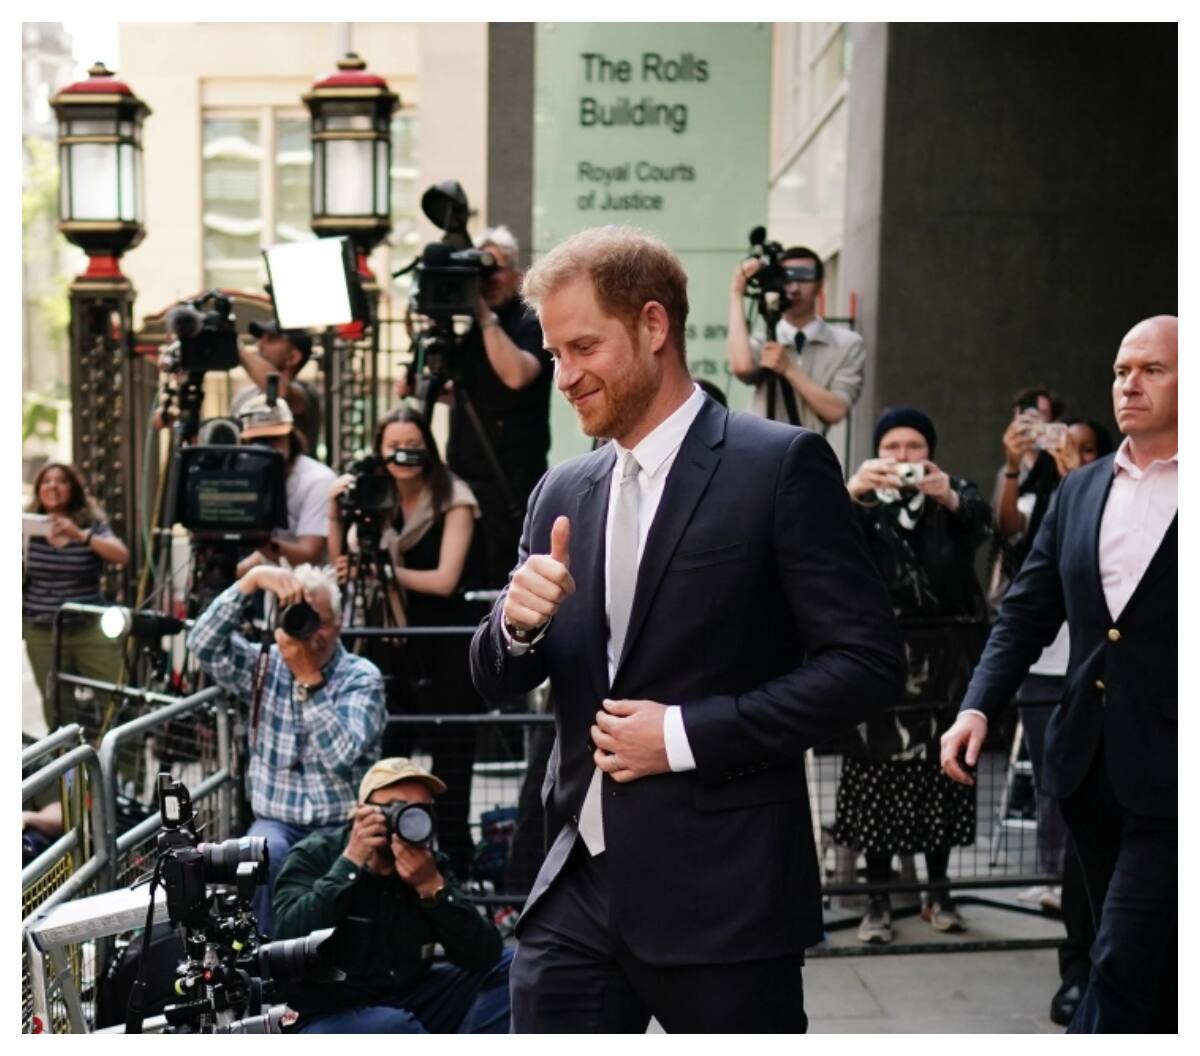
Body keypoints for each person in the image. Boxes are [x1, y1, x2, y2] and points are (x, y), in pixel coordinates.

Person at [470, 226, 904, 1032]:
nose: (564, 376)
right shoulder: (561, 491)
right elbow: (495, 674)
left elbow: (868, 664)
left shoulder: (779, 465)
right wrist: (514, 626)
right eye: (556, 354)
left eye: (583, 347)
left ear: (655, 326)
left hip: (727, 898)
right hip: (576, 890)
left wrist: (684, 736)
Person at [942, 316, 1177, 1033]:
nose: (1127, 384)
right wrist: (978, 706)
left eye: (1151, 370)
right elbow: (1025, 612)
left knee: (1118, 963)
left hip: (1175, 780)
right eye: (1118, 370)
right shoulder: (1080, 492)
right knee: (1149, 970)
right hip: (1089, 768)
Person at [834, 407, 991, 943]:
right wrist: (851, 490)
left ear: (931, 453)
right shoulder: (859, 503)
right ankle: (876, 900)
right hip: (881, 666)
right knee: (878, 780)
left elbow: (984, 523)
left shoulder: (954, 497)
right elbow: (816, 538)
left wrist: (947, 496)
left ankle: (939, 890)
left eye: (915, 448)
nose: (904, 459)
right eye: (894, 448)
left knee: (941, 777)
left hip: (945, 668)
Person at [187, 562, 385, 937]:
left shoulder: (362, 677)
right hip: (278, 821)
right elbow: (202, 643)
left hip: (340, 822)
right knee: (261, 853)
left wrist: (309, 678)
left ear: (339, 623)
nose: (312, 633)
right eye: (300, 617)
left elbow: (341, 755)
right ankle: (267, 965)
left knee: (344, 869)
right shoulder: (266, 667)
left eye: (321, 621)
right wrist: (251, 581)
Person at [329, 407, 484, 878]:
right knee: (387, 747)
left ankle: (454, 855)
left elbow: (444, 580)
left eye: (414, 446)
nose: (404, 456)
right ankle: (383, 853)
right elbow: (343, 563)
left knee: (450, 752)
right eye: (393, 446)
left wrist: (386, 572)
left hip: (442, 642)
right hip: (386, 639)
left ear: (428, 449)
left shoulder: (453, 497)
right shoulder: (372, 498)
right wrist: (336, 515)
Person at [272, 757, 512, 1034]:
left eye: (419, 810)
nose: (406, 819)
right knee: (394, 1025)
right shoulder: (316, 856)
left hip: (408, 999)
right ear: (361, 813)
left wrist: (432, 888)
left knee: (513, 966)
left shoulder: (429, 865)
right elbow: (288, 943)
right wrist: (350, 864)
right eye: (395, 808)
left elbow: (484, 955)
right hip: (328, 1014)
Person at [401, 225, 552, 588]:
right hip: (466, 475)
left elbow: (516, 376)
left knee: (504, 577)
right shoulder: (469, 332)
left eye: (495, 268)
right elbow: (470, 392)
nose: (487, 279)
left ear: (517, 275)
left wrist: (485, 316)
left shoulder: (529, 320)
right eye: (479, 271)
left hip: (511, 481)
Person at [23, 462, 130, 732]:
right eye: (46, 482)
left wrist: (80, 535)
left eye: (60, 481)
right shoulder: (27, 527)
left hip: (88, 627)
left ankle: (120, 764)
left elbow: (121, 555)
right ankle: (68, 771)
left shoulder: (90, 525)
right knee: (57, 706)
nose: (52, 487)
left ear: (74, 489)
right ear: (38, 490)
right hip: (42, 629)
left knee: (118, 694)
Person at [726, 245, 865, 433]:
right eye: (787, 278)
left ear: (820, 284)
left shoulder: (847, 345)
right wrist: (737, 293)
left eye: (804, 278)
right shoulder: (766, 340)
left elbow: (835, 410)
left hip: (808, 453)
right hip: (760, 450)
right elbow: (742, 367)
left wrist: (789, 369)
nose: (794, 288)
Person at [235, 392, 335, 576]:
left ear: (291, 437)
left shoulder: (317, 480)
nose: (266, 449)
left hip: (311, 585)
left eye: (274, 440)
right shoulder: (246, 475)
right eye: (257, 441)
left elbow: (309, 554)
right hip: (267, 578)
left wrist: (258, 541)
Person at [230, 320, 322, 454]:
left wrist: (237, 349)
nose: (260, 345)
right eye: (261, 339)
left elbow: (279, 391)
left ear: (293, 357)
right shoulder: (244, 396)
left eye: (271, 339)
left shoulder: (306, 392)